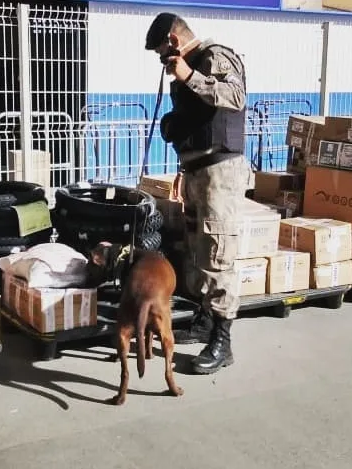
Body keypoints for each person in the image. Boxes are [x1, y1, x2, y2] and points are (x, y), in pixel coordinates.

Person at [145, 12, 254, 375]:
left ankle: (223, 341)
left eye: (163, 53)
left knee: (216, 250)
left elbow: (235, 96)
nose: (164, 62)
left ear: (174, 41)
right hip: (196, 171)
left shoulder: (214, 57)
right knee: (198, 249)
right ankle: (206, 319)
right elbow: (195, 119)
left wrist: (188, 75)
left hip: (219, 172)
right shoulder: (190, 69)